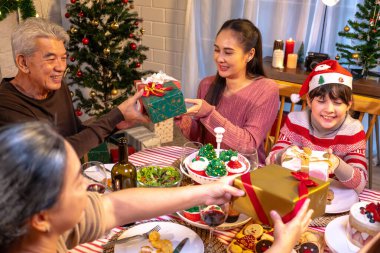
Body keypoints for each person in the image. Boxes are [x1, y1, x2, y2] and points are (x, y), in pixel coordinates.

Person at [0, 122, 312, 253]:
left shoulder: (39, 232)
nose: (90, 188)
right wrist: (282, 247)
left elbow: (115, 206)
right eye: (76, 182)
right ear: (40, 217)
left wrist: (205, 191)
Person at [0, 17, 149, 159]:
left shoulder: (57, 88)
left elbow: (76, 135)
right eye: (51, 59)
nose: (61, 67)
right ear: (23, 63)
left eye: (63, 58)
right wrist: (114, 117)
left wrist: (117, 124)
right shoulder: (6, 106)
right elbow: (55, 156)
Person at [175, 19, 279, 163]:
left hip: (246, 173)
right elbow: (199, 137)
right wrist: (180, 118)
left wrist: (209, 114)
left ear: (249, 54)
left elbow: (249, 146)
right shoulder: (206, 84)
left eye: (228, 52)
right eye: (217, 50)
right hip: (209, 169)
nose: (220, 58)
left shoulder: (266, 90)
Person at [266, 60, 367, 193]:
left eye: (337, 102)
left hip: (332, 196)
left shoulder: (353, 131)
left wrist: (337, 164)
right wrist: (282, 155)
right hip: (293, 189)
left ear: (348, 105)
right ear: (309, 100)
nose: (329, 109)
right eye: (321, 101)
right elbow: (270, 161)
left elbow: (360, 184)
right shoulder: (295, 121)